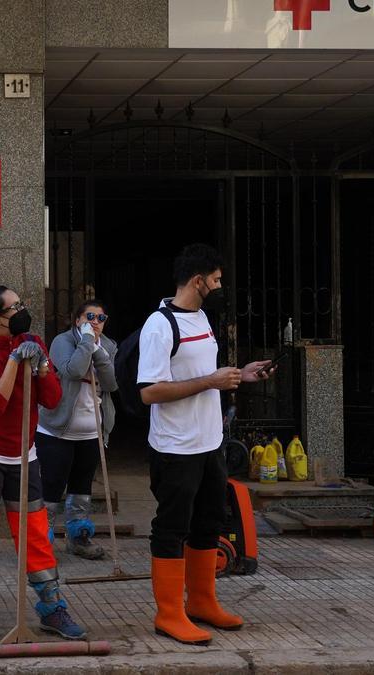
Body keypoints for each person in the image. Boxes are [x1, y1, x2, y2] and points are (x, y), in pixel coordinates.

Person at [137, 243, 272, 645]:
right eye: (216, 279)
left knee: (209, 524)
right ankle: (169, 614)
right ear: (198, 280)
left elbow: (201, 373)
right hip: (175, 448)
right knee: (171, 527)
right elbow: (149, 391)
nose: (219, 285)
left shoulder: (202, 317)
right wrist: (211, 381)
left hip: (210, 442)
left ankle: (201, 602)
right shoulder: (160, 325)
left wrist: (241, 375)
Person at [0, 285, 85, 645]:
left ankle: (52, 606)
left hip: (24, 453)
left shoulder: (33, 341)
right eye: (15, 307)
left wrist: (41, 365)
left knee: (36, 534)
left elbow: (54, 400)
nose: (23, 311)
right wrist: (13, 362)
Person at [36, 300, 118, 560]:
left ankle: (78, 537)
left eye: (101, 318)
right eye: (90, 317)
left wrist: (99, 351)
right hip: (57, 430)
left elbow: (110, 383)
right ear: (77, 320)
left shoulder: (108, 345)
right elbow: (73, 370)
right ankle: (41, 541)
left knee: (81, 488)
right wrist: (86, 342)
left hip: (91, 431)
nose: (96, 322)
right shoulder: (62, 341)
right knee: (51, 485)